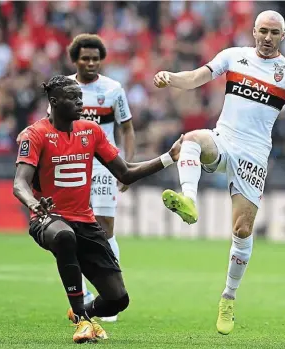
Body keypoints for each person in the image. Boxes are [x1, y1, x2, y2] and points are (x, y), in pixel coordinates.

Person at [154, 10, 285, 335]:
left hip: (255, 156)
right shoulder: (233, 56)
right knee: (191, 141)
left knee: (242, 230)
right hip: (224, 139)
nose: (267, 37)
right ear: (253, 31)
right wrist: (171, 76)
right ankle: (188, 200)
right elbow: (198, 76)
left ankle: (228, 296)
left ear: (283, 36)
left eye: (274, 32)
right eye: (263, 31)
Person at [13, 75, 182, 343]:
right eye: (73, 98)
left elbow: (125, 173)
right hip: (48, 219)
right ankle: (82, 322)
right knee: (64, 236)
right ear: (54, 102)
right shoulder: (35, 135)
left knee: (117, 299)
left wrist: (168, 158)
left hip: (85, 222)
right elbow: (20, 183)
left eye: (81, 97)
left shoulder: (91, 131)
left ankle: (82, 313)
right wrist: (35, 205)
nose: (80, 102)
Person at [20, 34, 136, 321]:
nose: (91, 63)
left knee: (105, 227)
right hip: (68, 159)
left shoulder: (113, 89)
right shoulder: (63, 89)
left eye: (96, 58)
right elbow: (51, 128)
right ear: (76, 60)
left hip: (103, 160)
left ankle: (105, 287)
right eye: (85, 58)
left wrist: (126, 165)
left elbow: (127, 127)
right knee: (67, 233)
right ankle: (81, 300)